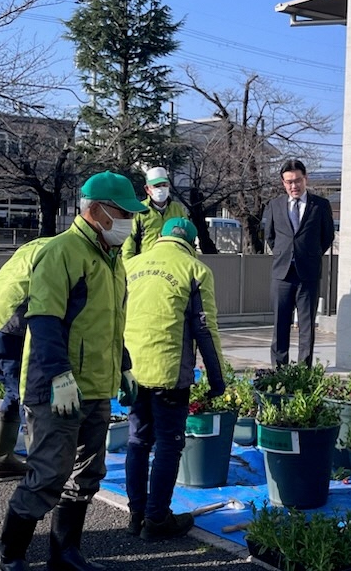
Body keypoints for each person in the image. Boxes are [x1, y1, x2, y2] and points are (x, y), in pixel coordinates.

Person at [0, 170, 143, 571]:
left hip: (94, 386)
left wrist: (125, 367)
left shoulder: (112, 260)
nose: (129, 222)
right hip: (55, 388)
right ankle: (11, 558)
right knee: (47, 475)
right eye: (124, 213)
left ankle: (65, 554)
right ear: (97, 211)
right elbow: (44, 319)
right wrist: (59, 375)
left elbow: (109, 324)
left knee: (87, 475)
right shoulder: (61, 252)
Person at [122, 217, 226, 541]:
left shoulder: (132, 265)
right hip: (169, 372)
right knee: (169, 444)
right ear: (192, 244)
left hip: (132, 370)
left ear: (161, 238)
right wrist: (217, 379)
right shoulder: (195, 270)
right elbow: (204, 329)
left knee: (138, 440)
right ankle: (156, 520)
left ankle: (136, 514)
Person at [0, 236, 51, 479]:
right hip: (7, 327)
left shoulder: (33, 246)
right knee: (29, 394)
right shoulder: (64, 252)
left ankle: (1, 460)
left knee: (14, 391)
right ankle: (41, 469)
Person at [263, 158, 335, 368]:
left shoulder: (320, 205)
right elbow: (270, 236)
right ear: (283, 183)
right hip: (282, 274)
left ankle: (303, 372)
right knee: (280, 326)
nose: (293, 186)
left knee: (307, 327)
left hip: (308, 274)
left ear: (305, 179)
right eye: (289, 182)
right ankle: (279, 370)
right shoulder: (275, 205)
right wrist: (285, 253)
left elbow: (327, 236)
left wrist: (310, 254)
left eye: (297, 180)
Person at [121, 166, 187, 259]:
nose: (161, 188)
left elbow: (188, 236)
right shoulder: (139, 210)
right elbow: (130, 240)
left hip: (174, 261)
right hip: (147, 262)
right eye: (157, 186)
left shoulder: (178, 209)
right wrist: (127, 263)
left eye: (164, 185)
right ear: (147, 189)